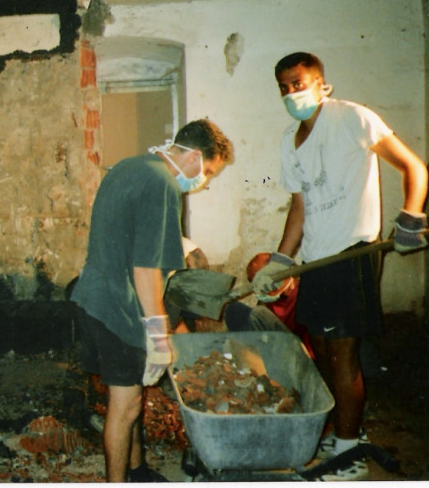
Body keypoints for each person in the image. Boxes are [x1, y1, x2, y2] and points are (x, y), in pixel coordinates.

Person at [251, 52, 428, 481]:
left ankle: (349, 455)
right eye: (284, 87)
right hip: (315, 260)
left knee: (343, 355)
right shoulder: (289, 140)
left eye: (298, 83)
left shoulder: (351, 117)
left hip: (352, 253)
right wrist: (281, 261)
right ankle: (347, 433)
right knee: (324, 353)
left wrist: (410, 216)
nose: (291, 93)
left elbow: (414, 167)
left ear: (320, 84)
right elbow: (300, 207)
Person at [71, 119, 234, 482]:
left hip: (93, 298)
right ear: (193, 157)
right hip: (118, 309)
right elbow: (146, 269)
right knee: (126, 408)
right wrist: (159, 334)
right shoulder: (163, 185)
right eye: (207, 171)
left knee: (128, 399)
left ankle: (137, 470)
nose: (203, 180)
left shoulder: (131, 166)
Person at [223, 252, 313, 357]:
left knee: (258, 312)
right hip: (280, 351)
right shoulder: (273, 300)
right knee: (234, 310)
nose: (259, 288)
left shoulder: (301, 292)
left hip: (301, 355)